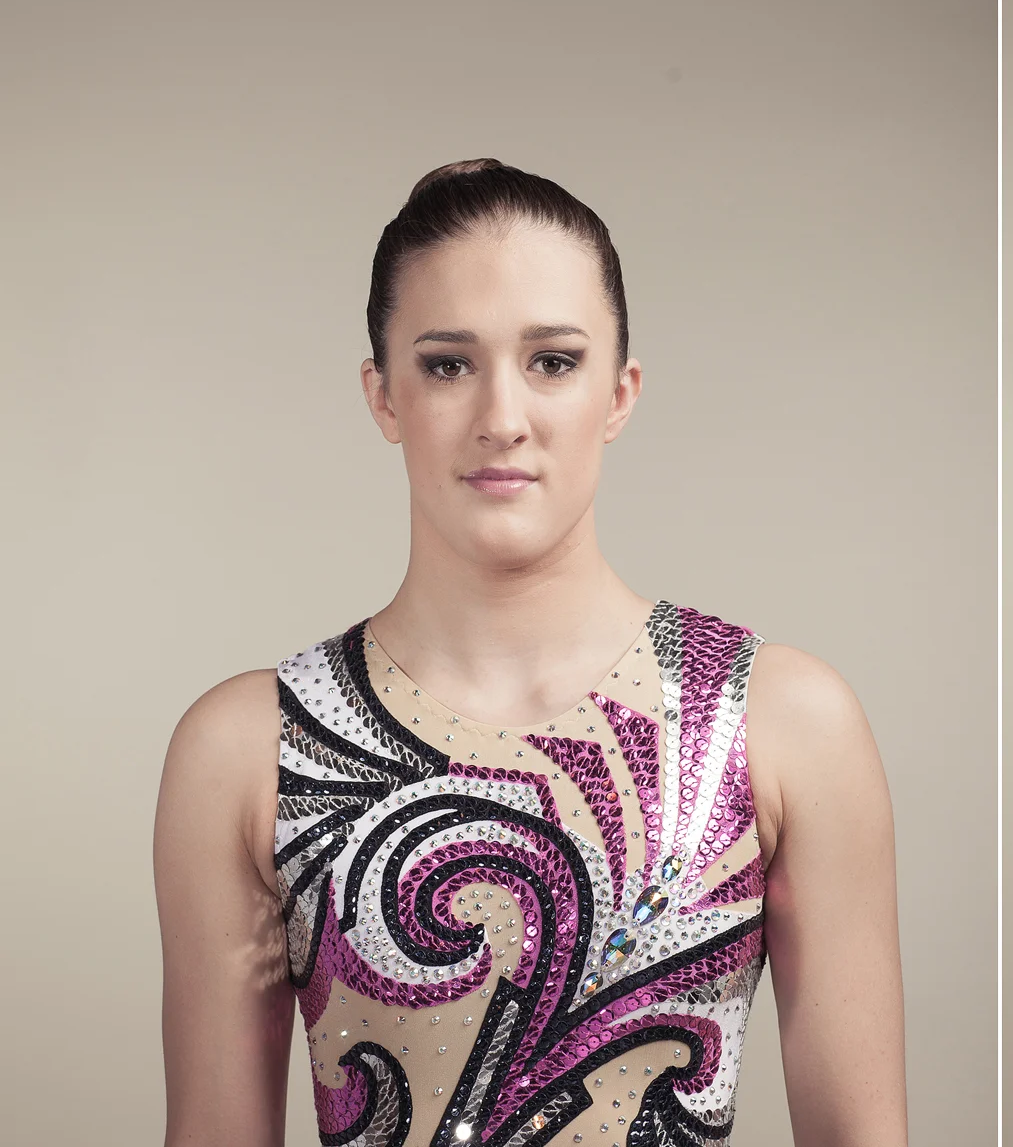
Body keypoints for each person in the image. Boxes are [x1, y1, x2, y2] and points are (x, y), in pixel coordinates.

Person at [154, 160, 909, 1147]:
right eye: (447, 365)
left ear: (620, 393)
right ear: (383, 397)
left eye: (552, 361)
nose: (502, 419)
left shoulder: (778, 721)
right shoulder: (251, 750)